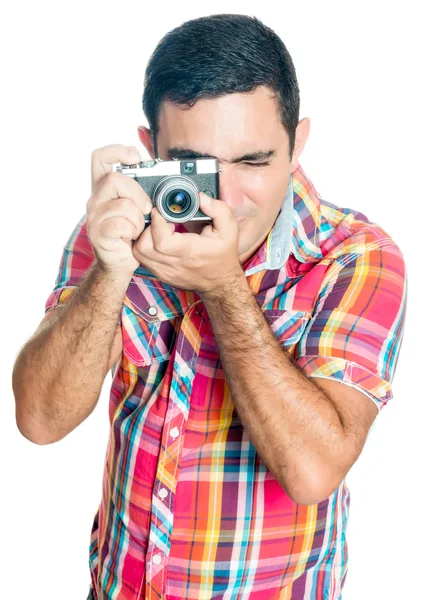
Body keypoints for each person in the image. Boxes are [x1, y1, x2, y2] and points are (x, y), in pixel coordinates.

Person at [12, 13, 407, 600]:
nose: (225, 199)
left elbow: (313, 471)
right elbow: (40, 420)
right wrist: (110, 272)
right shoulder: (118, 230)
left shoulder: (355, 257)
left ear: (297, 143)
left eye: (252, 162)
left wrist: (223, 287)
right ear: (149, 150)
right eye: (194, 167)